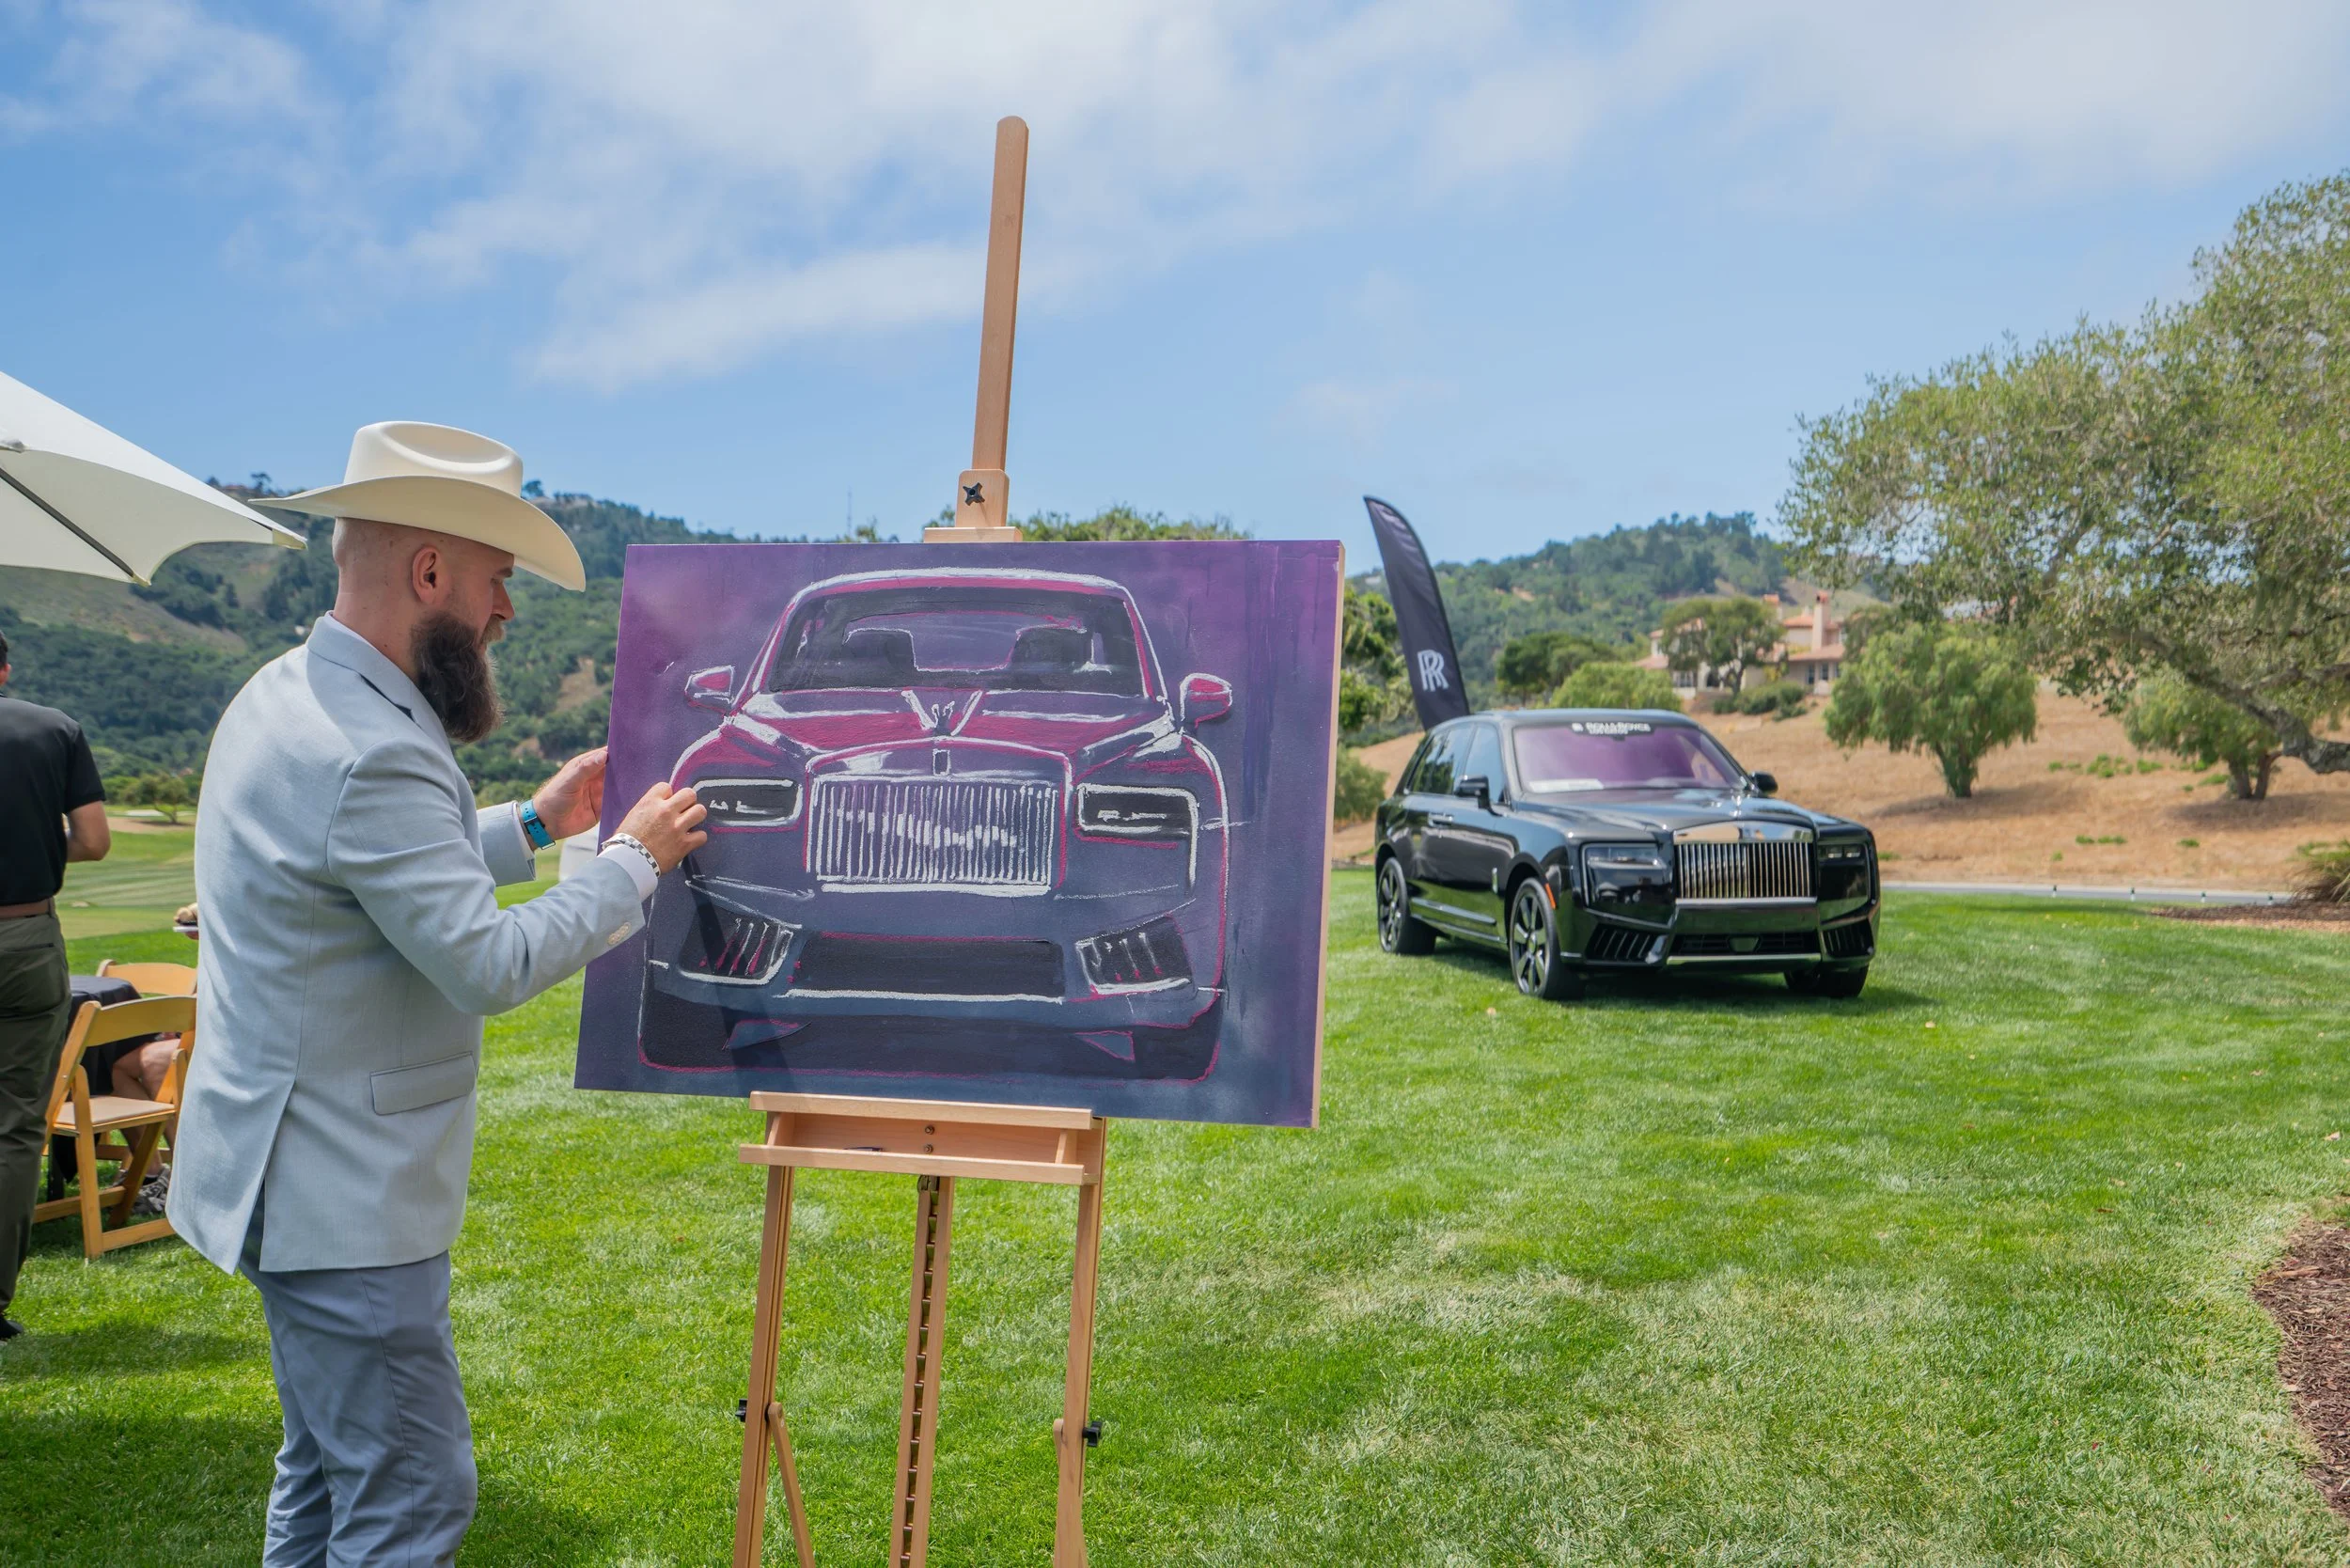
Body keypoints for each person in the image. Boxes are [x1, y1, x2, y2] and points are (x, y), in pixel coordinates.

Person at [168, 421, 707, 1566]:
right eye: (496, 580)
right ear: (429, 572)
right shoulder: (377, 747)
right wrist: (632, 860)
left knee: (324, 1475)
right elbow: (486, 962)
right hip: (344, 1199)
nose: (506, 612)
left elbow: (360, 868)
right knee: (410, 1499)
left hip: (273, 1171)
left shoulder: (284, 693)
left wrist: (531, 824)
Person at [0, 627, 113, 1341]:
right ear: (5, 669)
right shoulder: (54, 729)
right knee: (15, 1125)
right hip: (26, 938)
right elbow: (94, 840)